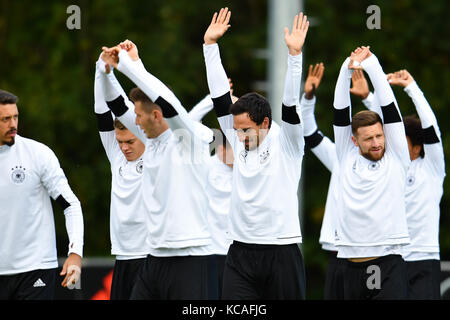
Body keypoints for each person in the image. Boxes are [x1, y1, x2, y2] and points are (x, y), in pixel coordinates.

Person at [203, 7, 309, 299]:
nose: (239, 137)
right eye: (235, 130)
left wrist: (294, 57)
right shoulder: (239, 136)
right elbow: (219, 96)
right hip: (239, 251)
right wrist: (210, 46)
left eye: (246, 130)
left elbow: (289, 103)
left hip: (281, 250)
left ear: (264, 122)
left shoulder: (287, 141)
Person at [100, 40, 215, 299]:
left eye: (139, 116)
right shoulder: (150, 140)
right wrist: (106, 70)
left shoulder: (188, 139)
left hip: (190, 259)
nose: (135, 121)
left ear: (157, 116)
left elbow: (169, 102)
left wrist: (129, 67)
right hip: (154, 258)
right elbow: (116, 104)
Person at [351, 68, 445, 299]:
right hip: (391, 258)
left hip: (424, 258)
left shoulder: (431, 167)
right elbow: (382, 126)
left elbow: (431, 127)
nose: (394, 145)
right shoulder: (390, 167)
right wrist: (368, 98)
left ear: (416, 147)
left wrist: (412, 88)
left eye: (402, 142)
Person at [333, 46, 411, 299]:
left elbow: (390, 108)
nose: (376, 142)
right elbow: (339, 111)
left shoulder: (396, 156)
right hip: (350, 264)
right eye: (368, 139)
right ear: (355, 141)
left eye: (379, 135)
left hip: (387, 263)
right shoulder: (346, 154)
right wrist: (347, 68)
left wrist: (372, 64)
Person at [0, 89, 84, 299]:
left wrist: (75, 253)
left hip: (36, 268)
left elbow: (70, 204)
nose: (13, 125)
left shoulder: (38, 154)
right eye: (5, 119)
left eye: (15, 117)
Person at [94, 55, 149, 300]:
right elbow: (101, 113)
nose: (124, 147)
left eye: (129, 141)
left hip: (150, 255)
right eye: (120, 142)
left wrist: (131, 65)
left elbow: (144, 102)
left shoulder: (155, 151)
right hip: (122, 256)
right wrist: (101, 70)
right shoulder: (116, 156)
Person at [300, 63, 346, 299]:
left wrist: (369, 97)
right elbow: (308, 132)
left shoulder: (391, 163)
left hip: (373, 254)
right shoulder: (341, 157)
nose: (370, 141)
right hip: (337, 253)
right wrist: (308, 97)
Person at [188, 89, 236, 299]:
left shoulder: (249, 170)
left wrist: (239, 104)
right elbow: (186, 122)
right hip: (209, 253)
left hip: (239, 255)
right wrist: (213, 98)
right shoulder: (204, 165)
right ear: (221, 148)